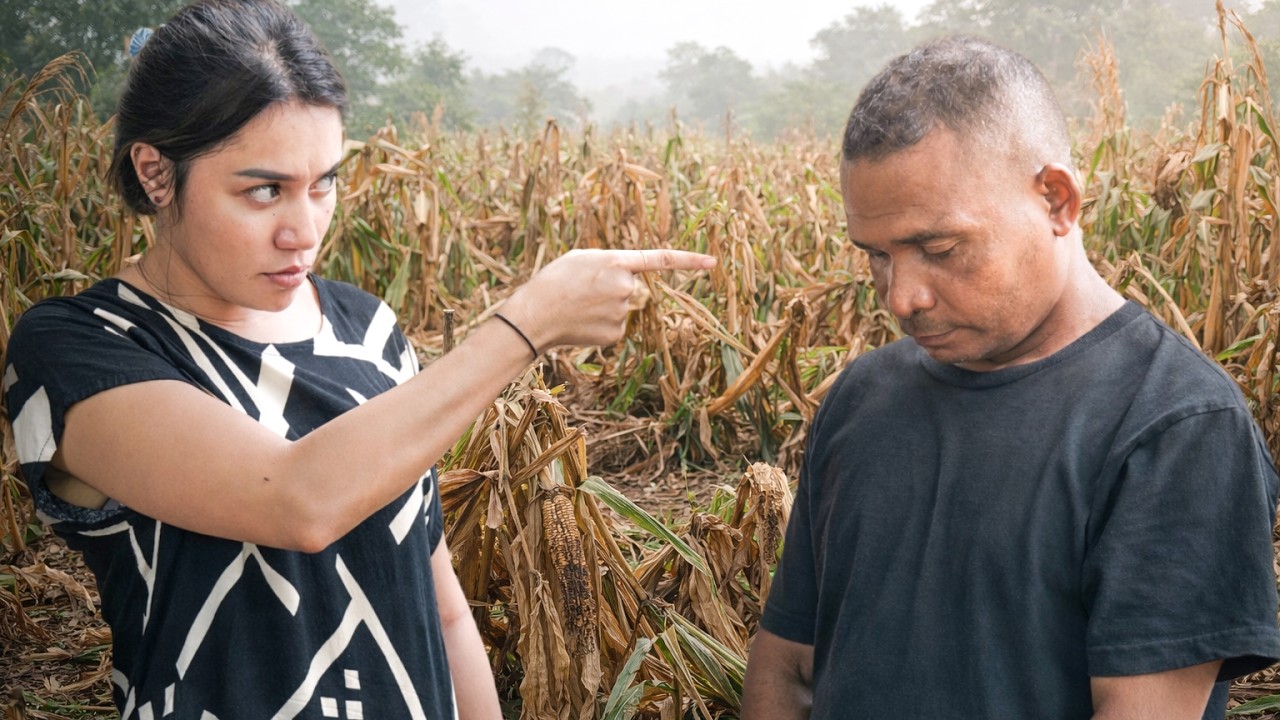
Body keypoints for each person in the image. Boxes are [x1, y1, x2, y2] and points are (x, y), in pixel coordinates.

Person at [1, 1, 714, 717]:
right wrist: (525, 326)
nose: (302, 232)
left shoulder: (366, 329)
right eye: (263, 190)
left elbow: (440, 611)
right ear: (156, 173)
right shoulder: (82, 348)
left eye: (323, 184)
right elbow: (295, 499)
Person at [741, 36, 1280, 720]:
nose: (902, 296)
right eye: (877, 255)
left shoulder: (1176, 427)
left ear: (1057, 201)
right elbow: (789, 666)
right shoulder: (862, 397)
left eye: (939, 249)